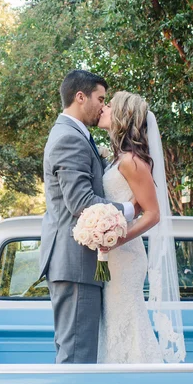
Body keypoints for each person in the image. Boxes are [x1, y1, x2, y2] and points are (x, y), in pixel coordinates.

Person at [40, 70, 136, 364]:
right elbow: (82, 202)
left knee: (78, 352)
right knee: (77, 358)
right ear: (80, 97)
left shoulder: (76, 136)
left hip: (78, 264)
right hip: (76, 264)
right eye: (100, 99)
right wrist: (133, 209)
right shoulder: (69, 139)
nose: (103, 106)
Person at [97, 91, 186, 365]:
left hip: (125, 256)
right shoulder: (119, 158)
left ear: (122, 115)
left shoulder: (131, 161)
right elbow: (133, 204)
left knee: (126, 318)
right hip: (113, 254)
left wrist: (116, 239)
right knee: (113, 320)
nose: (104, 108)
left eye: (109, 105)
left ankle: (137, 376)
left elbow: (153, 214)